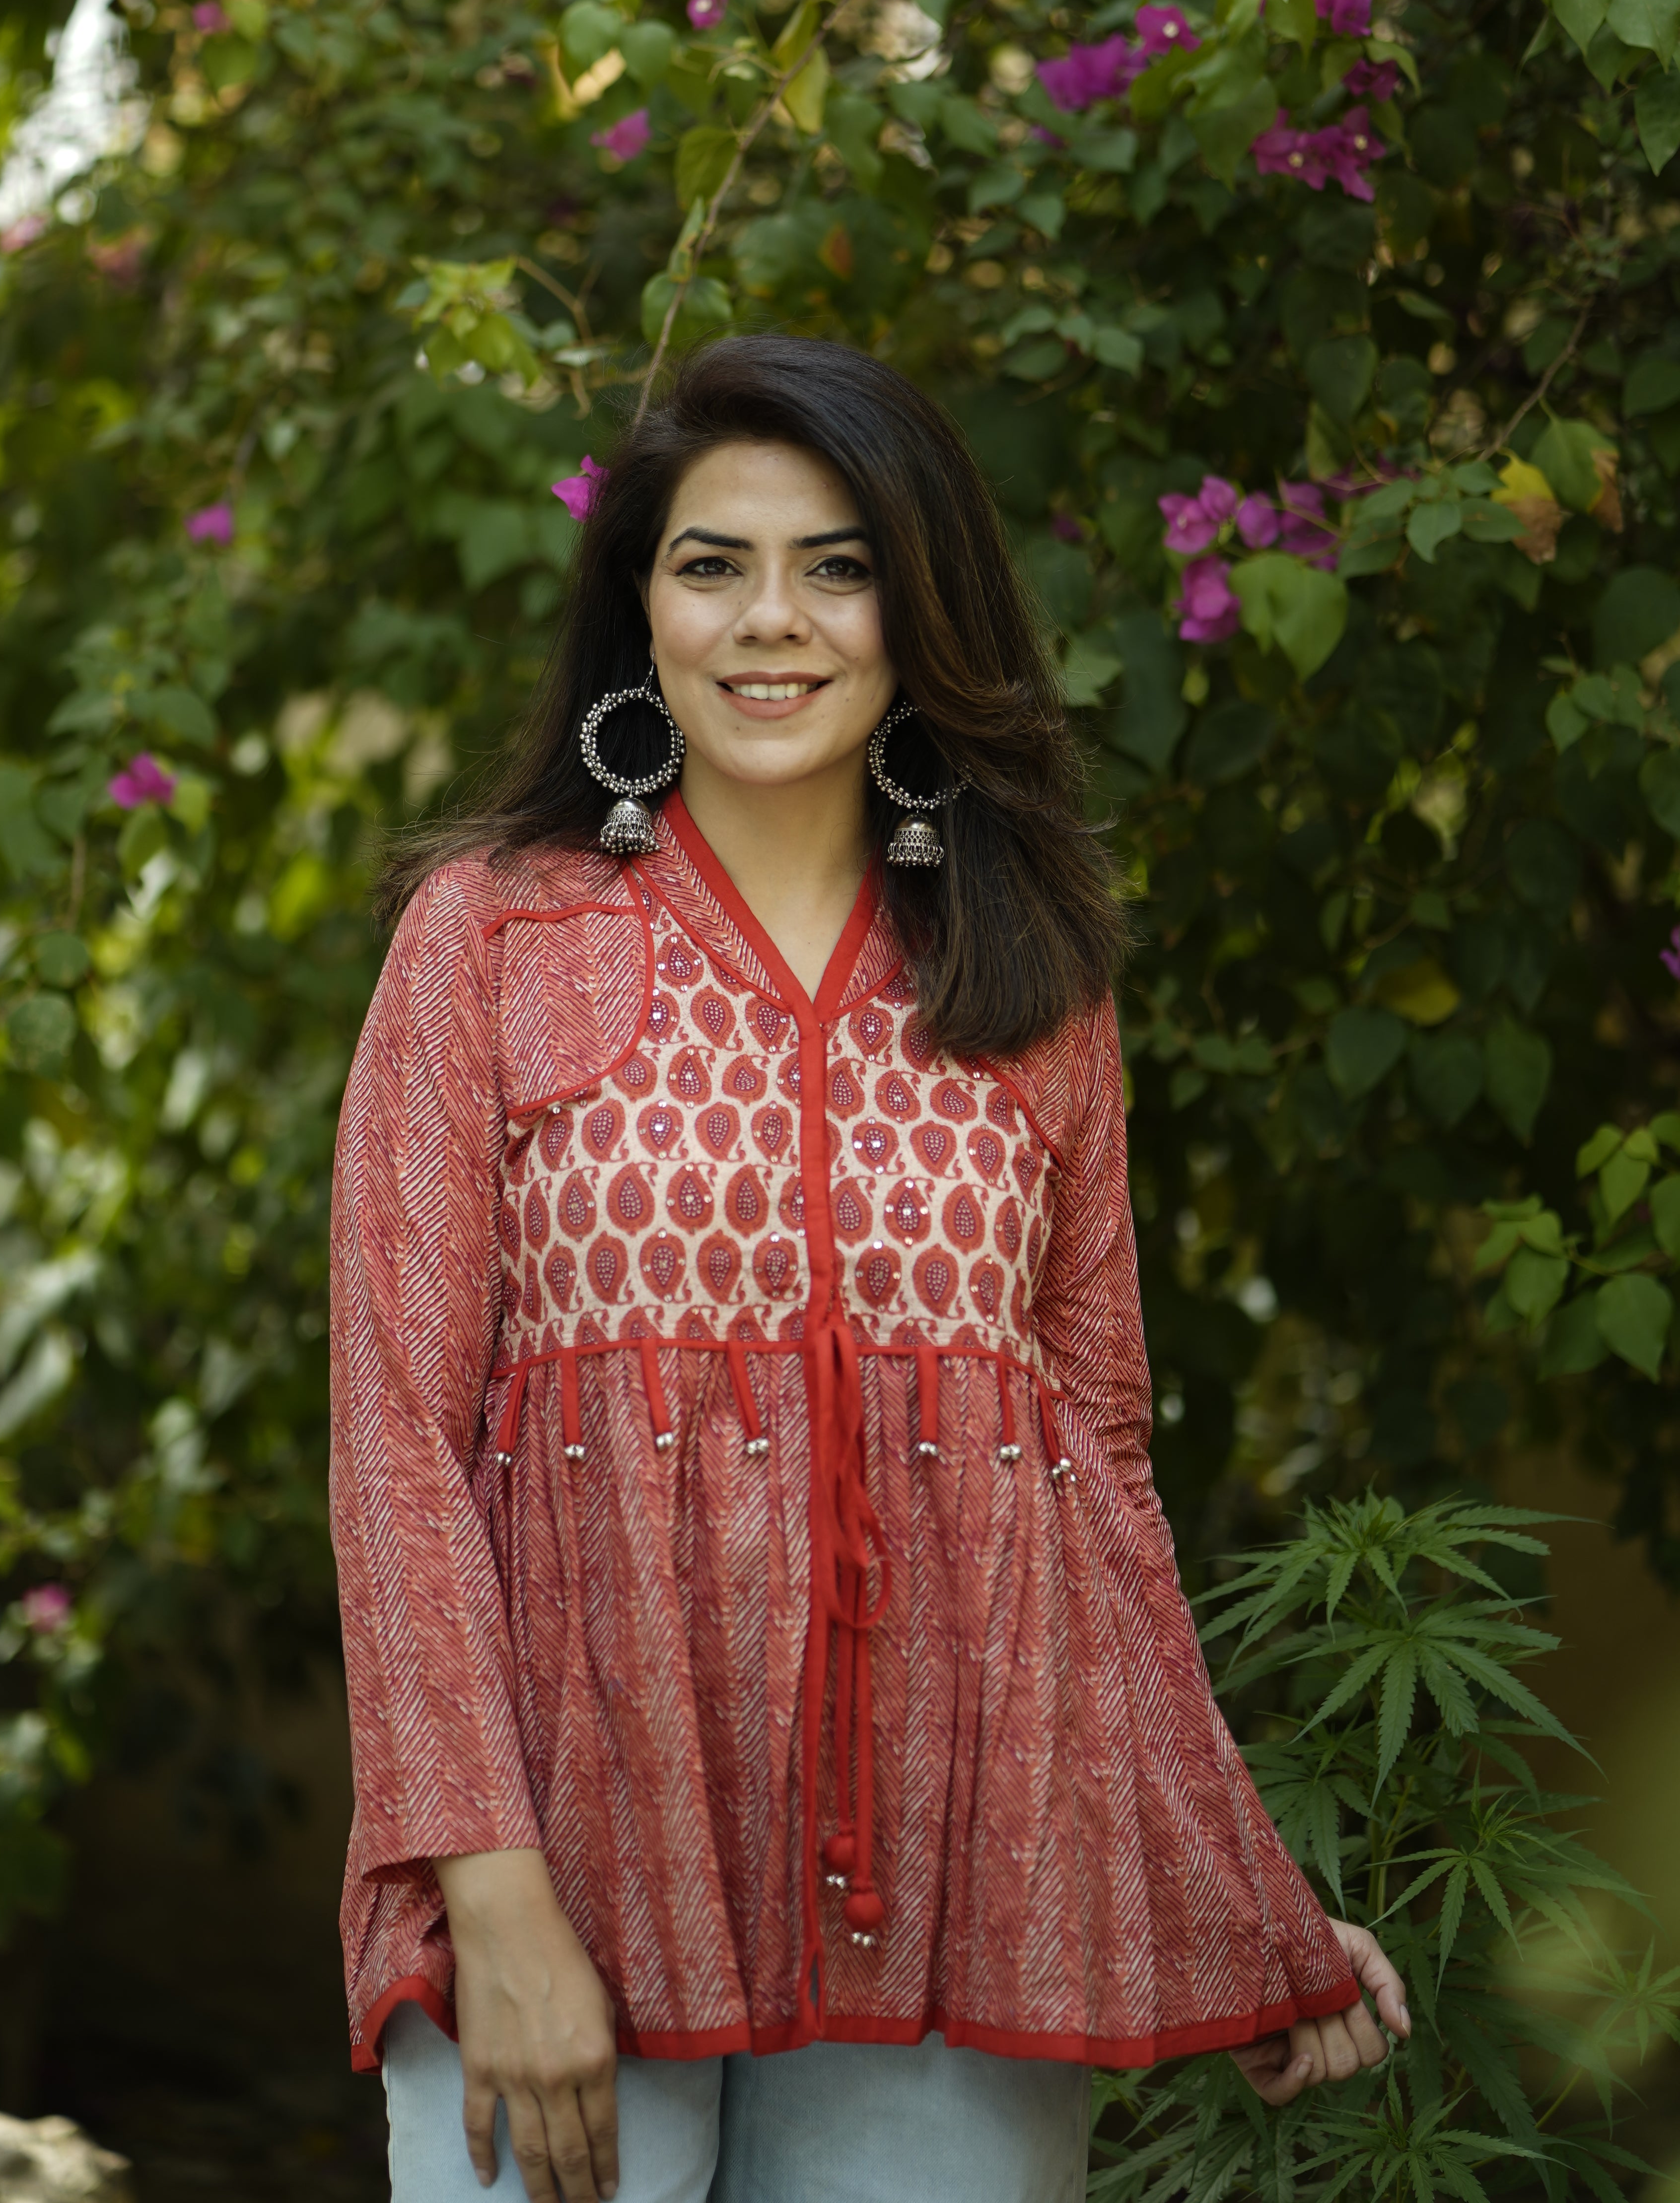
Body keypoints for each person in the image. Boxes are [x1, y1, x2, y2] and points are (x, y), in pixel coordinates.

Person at [329, 338, 1407, 2203]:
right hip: (572, 1868)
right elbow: (396, 1442)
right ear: (637, 610)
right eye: (710, 563)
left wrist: (1243, 1885)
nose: (775, 622)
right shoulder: (488, 943)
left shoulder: (1032, 978)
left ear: (921, 609)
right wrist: (487, 1895)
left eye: (837, 566)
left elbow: (1096, 1469)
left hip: (964, 1892)